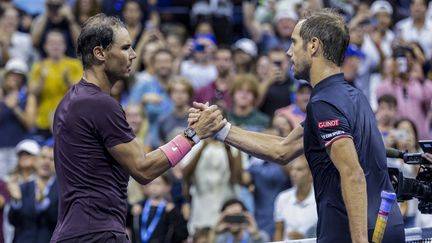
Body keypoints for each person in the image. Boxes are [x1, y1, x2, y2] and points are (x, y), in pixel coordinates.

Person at [189, 9, 405, 243]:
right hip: (386, 227)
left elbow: (352, 173)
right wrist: (221, 128)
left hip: (355, 235)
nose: (289, 52)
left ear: (313, 46)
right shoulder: (353, 96)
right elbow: (282, 149)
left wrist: (360, 240)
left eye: (294, 43)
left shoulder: (324, 103)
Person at [50, 14, 224, 243]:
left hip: (75, 233)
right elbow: (143, 170)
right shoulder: (99, 103)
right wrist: (193, 134)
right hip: (96, 234)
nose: (133, 55)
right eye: (125, 48)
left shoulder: (71, 100)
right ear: (99, 53)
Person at [8, 145, 58, 243]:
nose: (46, 162)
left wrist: (43, 203)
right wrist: (16, 201)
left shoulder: (62, 190)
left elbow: (59, 223)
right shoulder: (23, 187)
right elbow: (13, 221)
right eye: (43, 157)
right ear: (35, 161)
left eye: (51, 159)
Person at [273, 156, 317, 241]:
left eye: (299, 169)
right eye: (292, 169)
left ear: (311, 174)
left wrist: (304, 239)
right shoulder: (282, 198)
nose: (293, 173)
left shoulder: (320, 199)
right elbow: (279, 232)